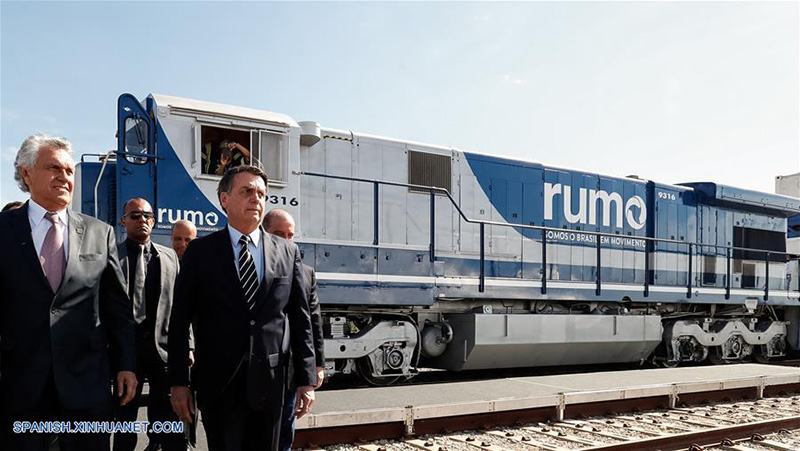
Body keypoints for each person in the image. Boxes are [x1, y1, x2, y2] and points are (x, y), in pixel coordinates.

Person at [1, 134, 137, 451]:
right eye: (53, 168)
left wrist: (126, 365)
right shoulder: (3, 230)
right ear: (26, 172)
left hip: (86, 386)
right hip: (20, 386)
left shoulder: (99, 233)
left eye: (69, 171)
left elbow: (117, 309)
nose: (64, 177)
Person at [168, 165, 316, 451]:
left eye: (261, 193)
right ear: (224, 199)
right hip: (218, 385)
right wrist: (178, 383)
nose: (256, 199)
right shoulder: (200, 252)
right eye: (246, 191)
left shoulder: (288, 252)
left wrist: (306, 380)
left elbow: (301, 319)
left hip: (271, 385)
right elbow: (178, 321)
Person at [114, 198, 190, 451]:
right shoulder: (111, 256)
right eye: (135, 215)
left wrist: (188, 345)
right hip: (125, 354)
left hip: (162, 351)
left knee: (165, 419)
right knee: (125, 420)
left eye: (147, 215)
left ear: (153, 221)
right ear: (124, 221)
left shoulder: (169, 257)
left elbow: (182, 306)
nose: (142, 220)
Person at [263, 209, 325, 451]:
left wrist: (316, 366)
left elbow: (312, 321)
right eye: (278, 234)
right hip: (255, 368)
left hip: (288, 372)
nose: (286, 241)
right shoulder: (252, 268)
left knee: (284, 435)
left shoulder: (306, 273)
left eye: (290, 235)